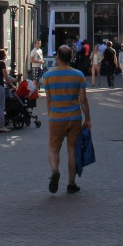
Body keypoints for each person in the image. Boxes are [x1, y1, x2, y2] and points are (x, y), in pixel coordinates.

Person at [42, 46, 91, 195]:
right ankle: (71, 183)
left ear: (57, 57)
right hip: (74, 118)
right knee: (72, 150)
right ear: (71, 57)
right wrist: (87, 119)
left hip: (56, 118)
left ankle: (55, 170)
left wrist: (51, 115)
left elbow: (48, 100)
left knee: (53, 149)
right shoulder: (78, 75)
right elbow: (83, 100)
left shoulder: (48, 76)